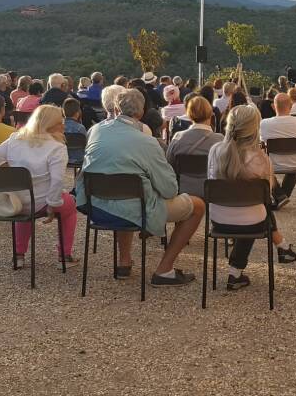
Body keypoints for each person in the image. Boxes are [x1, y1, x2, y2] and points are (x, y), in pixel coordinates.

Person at [76, 87, 204, 285]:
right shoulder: (147, 141)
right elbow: (170, 190)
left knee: (125, 195)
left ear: (117, 109)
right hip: (134, 208)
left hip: (97, 206)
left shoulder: (95, 131)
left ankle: (125, 260)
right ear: (141, 112)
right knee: (197, 206)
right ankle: (164, 269)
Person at [208, 105, 296, 290]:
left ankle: (240, 271)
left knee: (251, 209)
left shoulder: (215, 151)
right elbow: (267, 194)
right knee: (256, 210)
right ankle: (278, 248)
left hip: (218, 219)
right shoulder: (261, 158)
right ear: (254, 128)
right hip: (252, 221)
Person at [0, 105, 78, 265]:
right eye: (60, 122)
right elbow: (57, 180)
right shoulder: (57, 148)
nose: (64, 125)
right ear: (51, 125)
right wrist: (53, 205)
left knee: (23, 199)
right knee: (71, 207)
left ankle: (19, 255)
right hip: (42, 202)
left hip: (16, 202)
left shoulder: (14, 139)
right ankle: (64, 254)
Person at [166, 96, 223, 198]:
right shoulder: (220, 140)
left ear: (189, 114)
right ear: (210, 114)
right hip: (212, 195)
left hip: (183, 194)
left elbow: (169, 165)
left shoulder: (178, 138)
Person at [259, 93, 296, 209]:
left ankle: (280, 196)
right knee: (294, 165)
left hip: (272, 165)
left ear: (273, 107)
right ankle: (282, 196)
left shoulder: (265, 123)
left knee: (262, 163)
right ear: (291, 106)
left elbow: (262, 143)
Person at [63, 98, 88, 163]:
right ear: (77, 113)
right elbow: (86, 144)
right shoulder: (80, 128)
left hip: (63, 157)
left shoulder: (59, 127)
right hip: (79, 158)